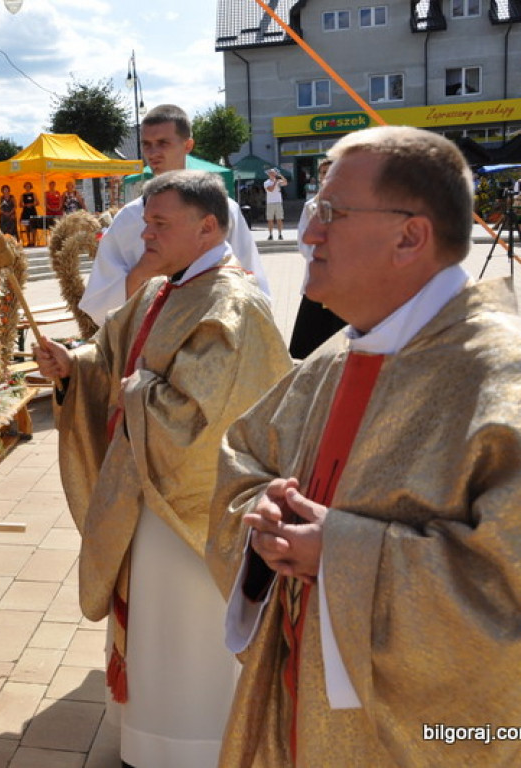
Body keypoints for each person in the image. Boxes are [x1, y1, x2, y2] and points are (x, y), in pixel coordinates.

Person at [206, 126, 521, 767]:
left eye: (329, 212)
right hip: (300, 704)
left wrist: (342, 553)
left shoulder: (500, 380)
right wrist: (260, 520)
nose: (308, 233)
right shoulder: (338, 355)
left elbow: (505, 599)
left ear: (410, 236)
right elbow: (244, 454)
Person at [35, 170, 291, 768]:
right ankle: (147, 739)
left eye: (159, 223)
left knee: (184, 629)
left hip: (187, 503)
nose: (143, 235)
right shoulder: (160, 291)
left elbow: (212, 414)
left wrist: (135, 393)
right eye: (145, 221)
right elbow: (115, 353)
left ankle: (195, 746)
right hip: (142, 488)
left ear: (207, 227)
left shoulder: (236, 304)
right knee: (152, 625)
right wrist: (74, 365)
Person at [79, 104, 270, 326]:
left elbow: (251, 279)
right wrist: (141, 272)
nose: (153, 153)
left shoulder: (223, 210)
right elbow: (101, 303)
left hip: (215, 337)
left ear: (187, 145)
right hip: (150, 339)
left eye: (163, 143)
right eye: (147, 145)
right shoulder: (129, 219)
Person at [287, 158, 345, 359]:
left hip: (345, 282)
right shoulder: (311, 206)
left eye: (331, 172)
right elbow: (304, 242)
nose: (325, 177)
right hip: (318, 278)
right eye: (322, 173)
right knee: (308, 341)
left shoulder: (352, 205)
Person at [264, 167, 287, 240]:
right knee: (270, 220)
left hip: (278, 202)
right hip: (270, 202)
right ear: (269, 174)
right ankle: (270, 234)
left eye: (274, 173)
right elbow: (270, 189)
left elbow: (285, 183)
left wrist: (280, 175)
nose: (273, 174)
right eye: (272, 173)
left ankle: (280, 234)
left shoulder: (278, 181)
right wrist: (275, 182)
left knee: (279, 219)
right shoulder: (266, 182)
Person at [19, 181, 39, 247]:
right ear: (24, 187)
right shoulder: (22, 195)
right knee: (27, 227)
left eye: (29, 186)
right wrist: (25, 205)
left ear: (30, 187)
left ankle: (34, 241)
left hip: (32, 211)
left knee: (34, 227)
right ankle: (29, 241)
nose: (27, 187)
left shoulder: (33, 194)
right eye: (26, 186)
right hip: (25, 212)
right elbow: (20, 204)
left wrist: (32, 204)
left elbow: (37, 202)